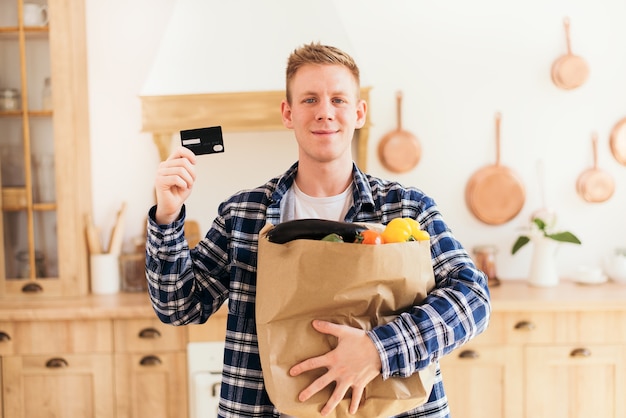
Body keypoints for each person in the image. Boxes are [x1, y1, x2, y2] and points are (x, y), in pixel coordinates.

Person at [146, 42, 491, 418]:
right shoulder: (243, 214)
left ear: (359, 113)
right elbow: (179, 307)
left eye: (338, 100)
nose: (325, 112)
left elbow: (474, 298)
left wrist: (379, 348)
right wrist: (167, 216)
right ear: (288, 113)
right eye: (310, 100)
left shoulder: (407, 208)